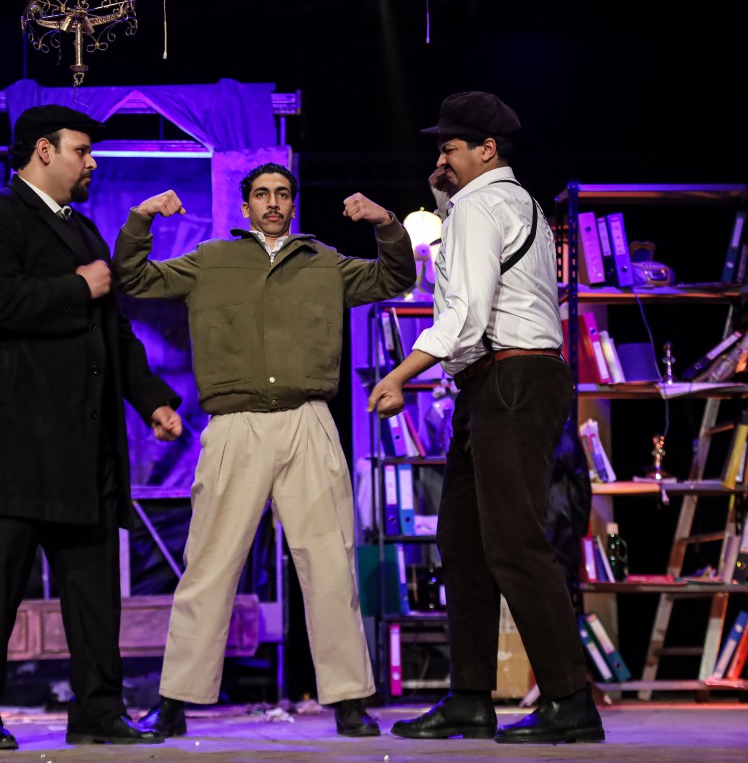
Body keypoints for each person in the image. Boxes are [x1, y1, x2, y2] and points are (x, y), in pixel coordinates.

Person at [111, 163, 416, 738]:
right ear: (245, 205)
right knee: (208, 564)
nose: (272, 202)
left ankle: (350, 699)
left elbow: (394, 277)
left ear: (292, 205)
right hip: (235, 424)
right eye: (261, 194)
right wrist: (142, 217)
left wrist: (386, 223)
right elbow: (134, 278)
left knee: (329, 564)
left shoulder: (324, 262)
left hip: (308, 420)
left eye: (281, 194)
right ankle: (174, 702)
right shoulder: (211, 260)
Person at [0, 104, 184, 752]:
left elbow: (115, 333)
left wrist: (152, 401)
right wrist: (76, 286)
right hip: (14, 447)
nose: (92, 162)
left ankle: (99, 712)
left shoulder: (83, 231)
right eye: (82, 150)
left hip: (82, 448)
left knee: (94, 591)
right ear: (43, 152)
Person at [368, 92, 605, 744]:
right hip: (504, 382)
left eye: (450, 147)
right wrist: (444, 195)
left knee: (514, 544)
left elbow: (465, 313)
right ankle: (470, 697)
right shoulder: (514, 200)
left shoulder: (478, 208)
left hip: (510, 379)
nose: (440, 158)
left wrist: (398, 374)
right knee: (464, 544)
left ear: (487, 149)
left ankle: (570, 701)